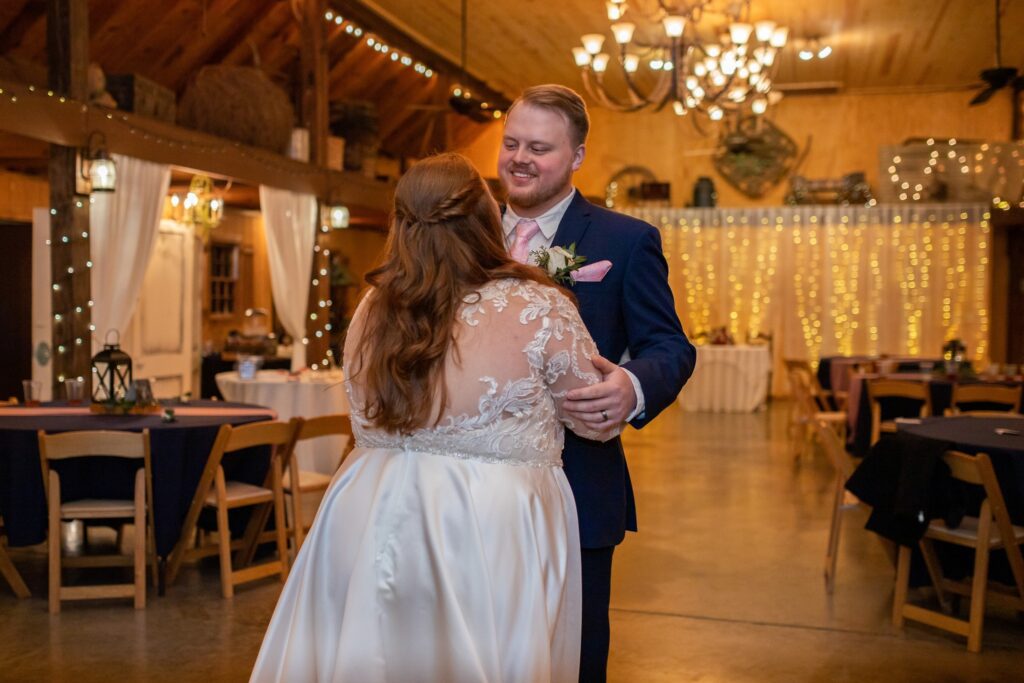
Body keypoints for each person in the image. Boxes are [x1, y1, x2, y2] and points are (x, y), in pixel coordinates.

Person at [250, 152, 618, 683]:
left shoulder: (372, 307)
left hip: (363, 510)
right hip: (483, 524)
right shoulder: (539, 306)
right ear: (485, 218)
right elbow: (594, 418)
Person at [498, 84, 696, 682]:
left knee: (573, 656)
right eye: (510, 144)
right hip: (468, 483)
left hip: (577, 477)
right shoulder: (463, 231)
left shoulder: (624, 240)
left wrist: (631, 387)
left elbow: (670, 347)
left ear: (578, 156)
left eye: (539, 147)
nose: (520, 158)